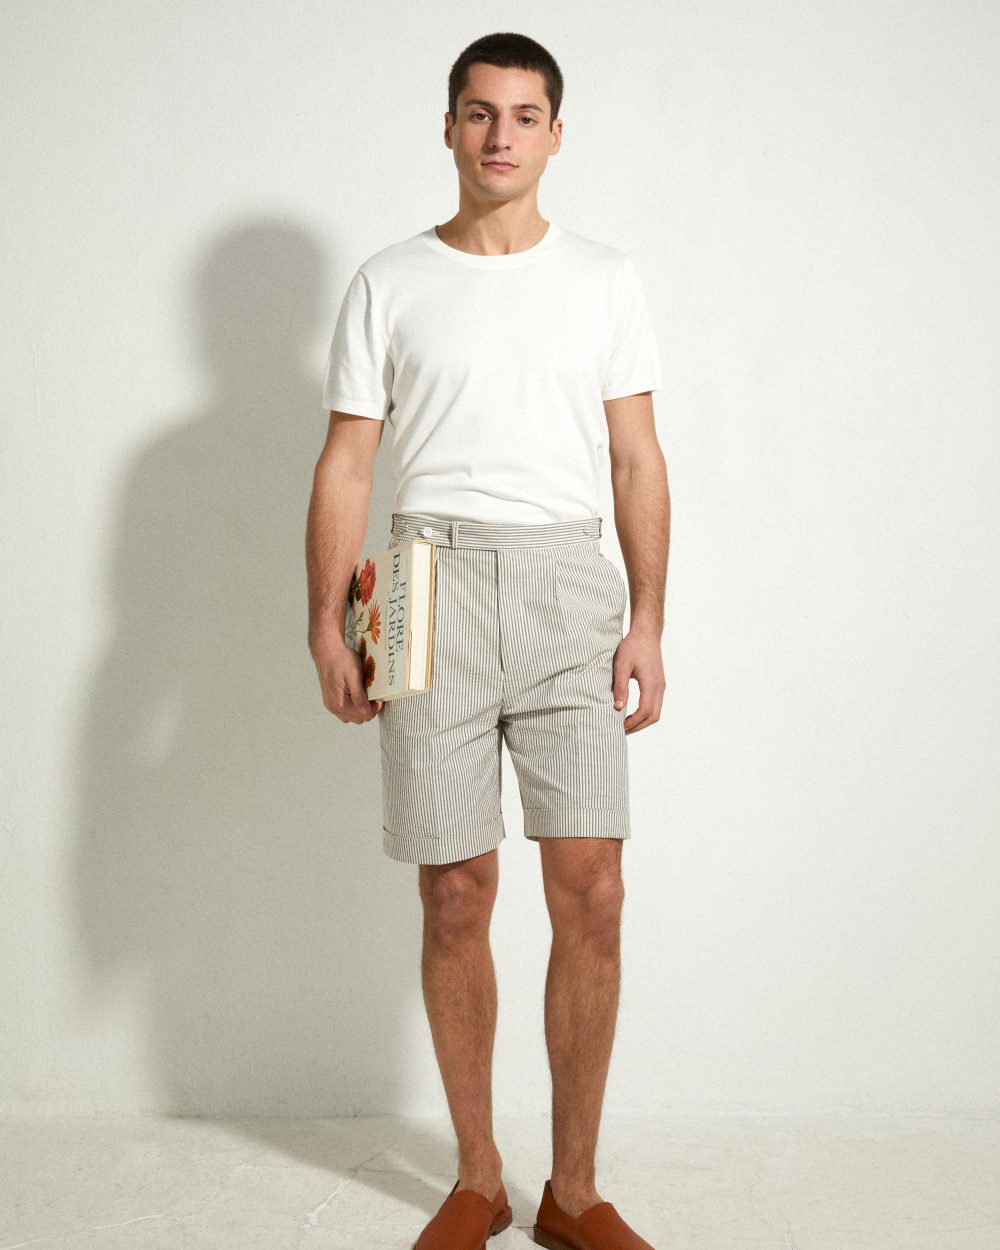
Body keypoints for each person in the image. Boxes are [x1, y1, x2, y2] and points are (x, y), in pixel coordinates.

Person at [306, 30, 669, 1250]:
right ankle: (477, 1175)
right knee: (454, 889)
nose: (500, 134)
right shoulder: (389, 280)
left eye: (523, 115)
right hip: (422, 582)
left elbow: (636, 457)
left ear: (555, 135)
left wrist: (648, 617)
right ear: (450, 127)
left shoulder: (605, 278)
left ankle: (574, 1189)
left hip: (569, 583)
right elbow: (347, 459)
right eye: (478, 112)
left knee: (593, 886)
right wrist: (326, 621)